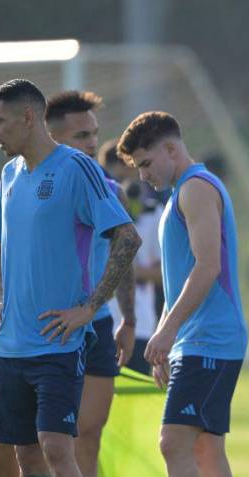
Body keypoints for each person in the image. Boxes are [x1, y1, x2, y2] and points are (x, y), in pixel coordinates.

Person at [0, 78, 140, 477]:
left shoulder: (77, 170)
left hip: (58, 342)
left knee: (57, 447)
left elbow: (126, 239)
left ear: (29, 117)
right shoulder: (8, 175)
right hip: (12, 345)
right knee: (27, 457)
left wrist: (89, 308)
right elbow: (2, 243)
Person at [118, 111, 247, 477]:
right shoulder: (183, 192)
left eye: (147, 163)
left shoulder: (195, 187)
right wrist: (173, 341)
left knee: (173, 441)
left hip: (209, 338)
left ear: (172, 149)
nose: (144, 176)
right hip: (200, 339)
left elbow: (207, 266)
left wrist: (168, 330)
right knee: (204, 448)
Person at [46, 90, 135, 477]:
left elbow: (119, 257)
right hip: (42, 330)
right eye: (82, 135)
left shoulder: (108, 189)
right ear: (52, 134)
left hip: (96, 328)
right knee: (41, 442)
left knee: (88, 435)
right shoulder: (29, 182)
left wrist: (129, 320)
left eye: (94, 134)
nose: (92, 144)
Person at [101, 138, 162, 376]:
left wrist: (122, 269)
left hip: (139, 326)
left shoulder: (154, 214)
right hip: (97, 323)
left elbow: (164, 274)